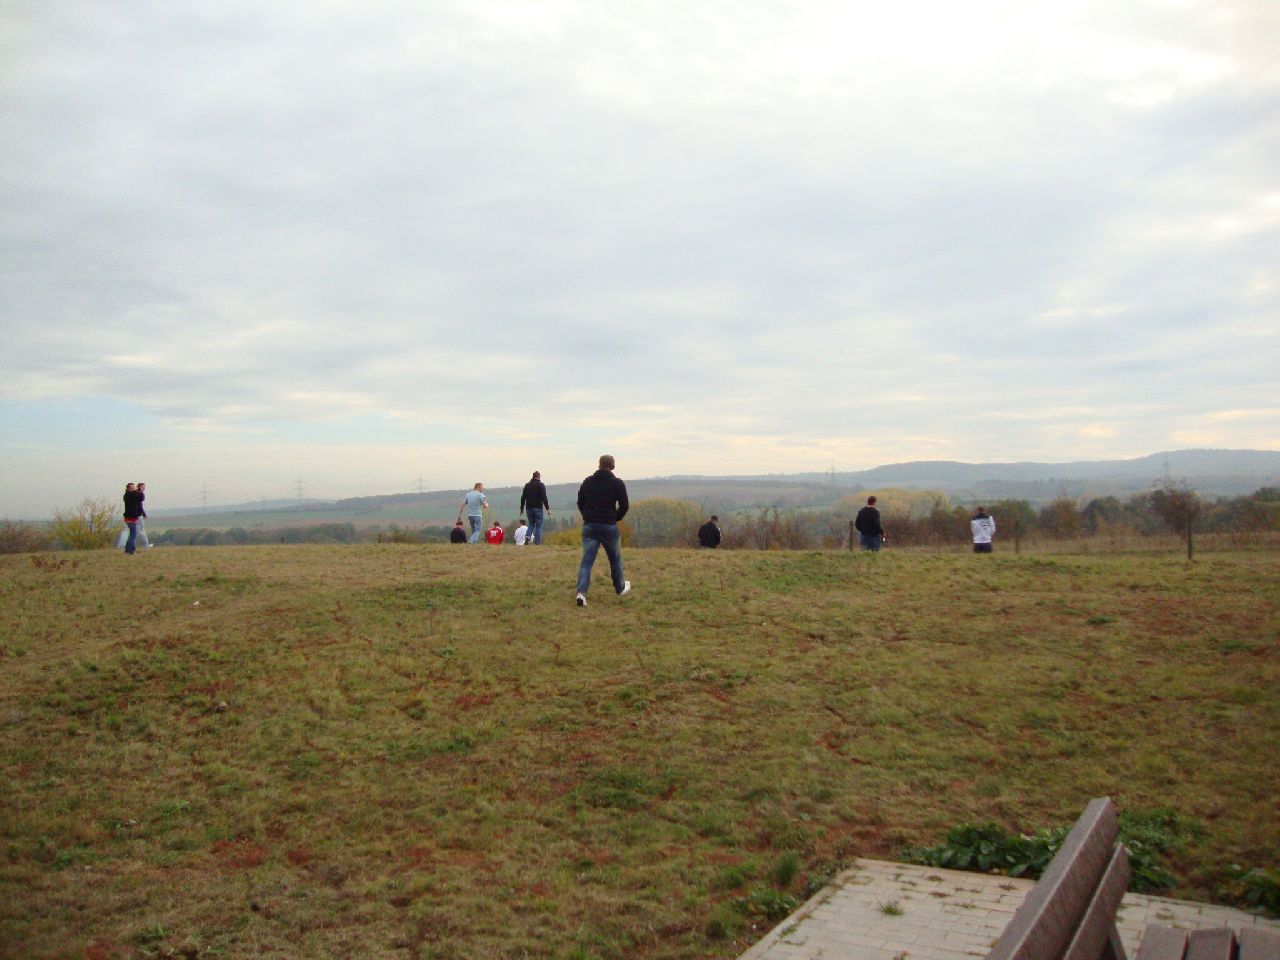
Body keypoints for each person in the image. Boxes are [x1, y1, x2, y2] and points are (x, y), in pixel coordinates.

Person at [574, 454, 630, 606]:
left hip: (590, 526)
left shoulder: (587, 482)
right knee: (615, 559)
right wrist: (615, 518)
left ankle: (581, 592)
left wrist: (587, 515)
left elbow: (580, 502)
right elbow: (624, 505)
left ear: (599, 465)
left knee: (587, 561)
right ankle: (620, 587)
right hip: (609, 526)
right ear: (612, 466)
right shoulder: (617, 483)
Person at [520, 470, 551, 545]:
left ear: (533, 477)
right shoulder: (541, 485)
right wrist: (547, 508)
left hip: (529, 508)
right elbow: (544, 497)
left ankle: (527, 537)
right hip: (538, 508)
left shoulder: (527, 485)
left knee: (531, 524)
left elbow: (523, 497)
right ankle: (537, 543)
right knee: (539, 525)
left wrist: (522, 508)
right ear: (539, 477)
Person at [122, 482, 143, 554]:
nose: (134, 489)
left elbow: (141, 498)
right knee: (133, 535)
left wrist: (140, 492)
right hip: (130, 518)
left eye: (134, 488)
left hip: (132, 518)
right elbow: (133, 496)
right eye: (132, 488)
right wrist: (137, 490)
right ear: (128, 488)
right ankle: (131, 550)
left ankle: (128, 549)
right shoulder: (127, 495)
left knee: (132, 534)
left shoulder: (133, 495)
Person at [134, 481, 150, 549]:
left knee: (139, 531)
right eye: (143, 487)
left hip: (136, 515)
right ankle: (146, 544)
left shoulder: (135, 494)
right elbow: (140, 503)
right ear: (140, 487)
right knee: (140, 531)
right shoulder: (138, 494)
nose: (144, 489)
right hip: (138, 515)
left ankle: (146, 544)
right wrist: (144, 514)